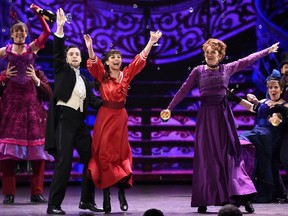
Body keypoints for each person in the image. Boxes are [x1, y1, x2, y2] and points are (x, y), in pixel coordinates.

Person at [160, 38, 279, 213]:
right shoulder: (198, 71)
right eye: (207, 52)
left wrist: (267, 51)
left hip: (223, 117)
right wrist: (169, 108)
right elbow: (184, 89)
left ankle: (242, 196)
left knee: (230, 156)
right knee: (207, 157)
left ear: (220, 55)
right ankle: (205, 198)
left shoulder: (227, 68)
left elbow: (247, 59)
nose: (209, 55)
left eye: (213, 52)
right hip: (206, 118)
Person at [83, 26, 162, 213]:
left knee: (119, 156)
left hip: (120, 118)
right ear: (108, 62)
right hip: (105, 118)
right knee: (103, 156)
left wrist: (151, 42)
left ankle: (120, 191)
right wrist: (90, 47)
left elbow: (139, 60)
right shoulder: (102, 76)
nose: (117, 59)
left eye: (119, 57)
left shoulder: (126, 75)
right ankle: (106, 195)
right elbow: (93, 63)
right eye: (113, 57)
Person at [44, 8, 103, 215]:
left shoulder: (85, 80)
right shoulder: (62, 70)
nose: (75, 56)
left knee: (91, 160)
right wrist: (59, 27)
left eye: (78, 54)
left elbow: (95, 101)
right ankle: (53, 205)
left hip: (80, 123)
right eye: (72, 54)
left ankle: (86, 201)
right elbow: (58, 51)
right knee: (64, 164)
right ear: (67, 59)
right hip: (64, 122)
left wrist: (114, 100)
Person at [0, 4, 53, 204]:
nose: (20, 33)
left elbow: (47, 31)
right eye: (17, 31)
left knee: (37, 151)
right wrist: (5, 76)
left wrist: (38, 12)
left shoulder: (33, 47)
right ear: (12, 35)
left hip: (31, 102)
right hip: (12, 102)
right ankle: (10, 193)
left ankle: (37, 192)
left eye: (23, 31)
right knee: (9, 153)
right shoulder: (5, 51)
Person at [237, 71, 288, 203]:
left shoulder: (285, 105)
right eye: (270, 87)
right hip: (258, 134)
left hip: (271, 137)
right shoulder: (264, 101)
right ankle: (248, 189)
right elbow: (251, 107)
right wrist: (236, 98)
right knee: (257, 158)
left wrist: (280, 113)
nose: (273, 90)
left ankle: (265, 193)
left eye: (276, 87)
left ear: (281, 89)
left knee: (252, 136)